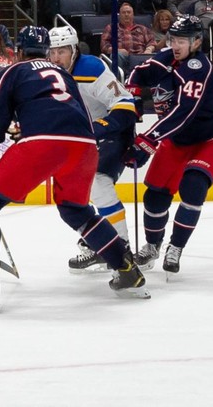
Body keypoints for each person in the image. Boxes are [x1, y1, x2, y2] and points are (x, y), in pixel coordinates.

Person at [0, 26, 147, 312]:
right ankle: (127, 270)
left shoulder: (11, 73)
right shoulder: (64, 75)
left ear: (17, 51)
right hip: (86, 146)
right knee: (76, 210)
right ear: (46, 51)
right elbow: (75, 113)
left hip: (44, 144)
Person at [124, 15, 213, 276]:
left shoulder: (198, 68)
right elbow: (138, 73)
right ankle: (152, 246)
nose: (176, 44)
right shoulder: (167, 58)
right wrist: (134, 99)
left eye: (182, 40)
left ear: (196, 41)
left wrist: (148, 140)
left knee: (193, 186)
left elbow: (184, 112)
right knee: (154, 195)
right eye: (173, 39)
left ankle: (176, 246)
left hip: (210, 138)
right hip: (177, 138)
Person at [48, 25, 142, 274]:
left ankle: (121, 249)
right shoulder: (48, 73)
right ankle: (99, 241)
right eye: (53, 51)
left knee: (99, 181)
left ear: (74, 50)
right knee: (74, 194)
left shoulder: (91, 68)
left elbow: (125, 104)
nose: (57, 58)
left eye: (62, 51)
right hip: (81, 138)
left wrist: (99, 129)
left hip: (112, 132)